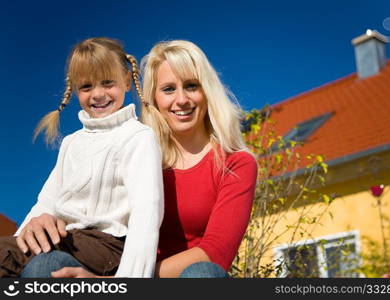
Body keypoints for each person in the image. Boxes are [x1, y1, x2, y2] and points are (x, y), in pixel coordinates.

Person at [21, 40, 257, 278]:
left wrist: (113, 283)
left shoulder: (236, 164)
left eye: (191, 86)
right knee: (46, 266)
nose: (182, 99)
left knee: (203, 273)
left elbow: (215, 252)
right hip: (112, 266)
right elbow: (66, 197)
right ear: (152, 97)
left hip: (147, 278)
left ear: (207, 91)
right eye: (168, 89)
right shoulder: (134, 150)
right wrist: (43, 219)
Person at [0, 37, 164, 278]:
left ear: (127, 82)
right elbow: (46, 203)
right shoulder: (71, 143)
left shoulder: (138, 137)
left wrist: (129, 282)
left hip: (108, 247)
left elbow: (146, 212)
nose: (98, 94)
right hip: (68, 239)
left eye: (108, 83)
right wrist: (20, 241)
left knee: (32, 261)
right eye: (86, 87)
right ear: (75, 90)